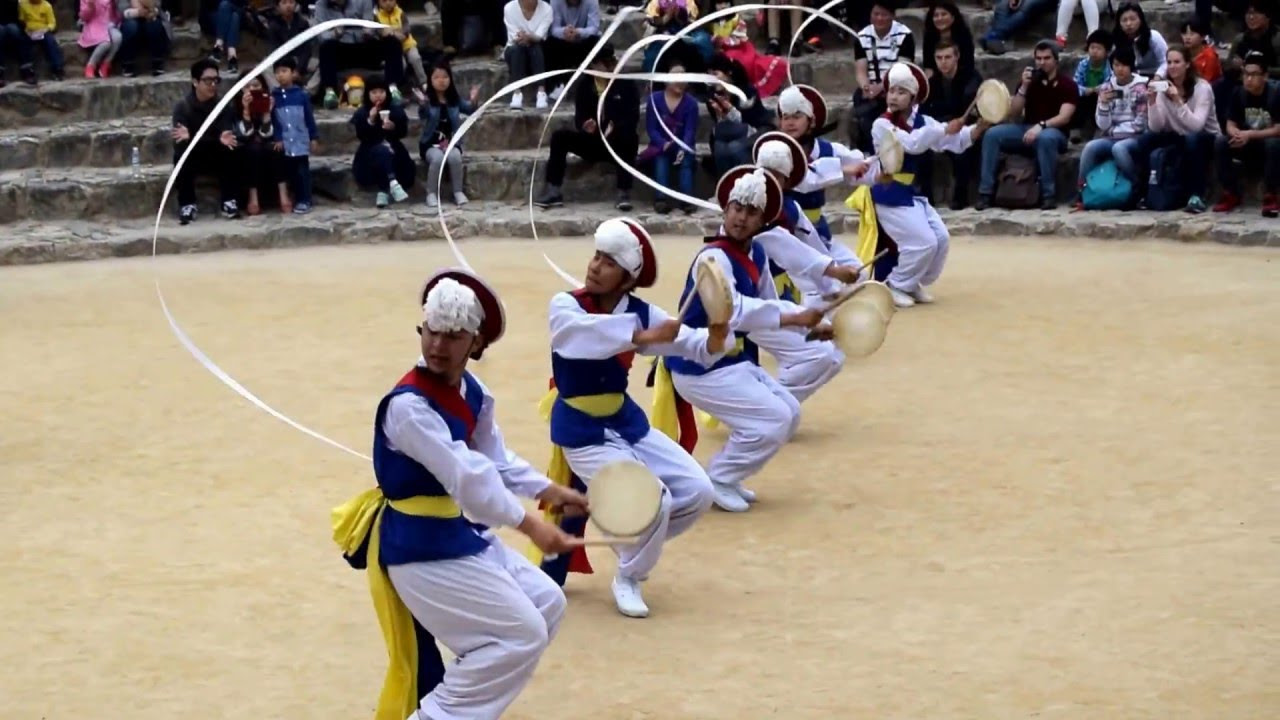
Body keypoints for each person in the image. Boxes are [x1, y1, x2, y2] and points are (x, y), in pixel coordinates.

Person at [332, 268, 587, 720]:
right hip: (417, 548)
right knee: (520, 635)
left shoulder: (473, 392)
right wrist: (531, 525)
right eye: (432, 331)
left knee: (547, 603)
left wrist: (549, 489)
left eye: (452, 336)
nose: (437, 345)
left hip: (456, 533)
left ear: (475, 344)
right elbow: (468, 475)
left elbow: (496, 458)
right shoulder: (409, 408)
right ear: (420, 329)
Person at [533, 218, 722, 618]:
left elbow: (688, 342)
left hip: (624, 421)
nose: (596, 265)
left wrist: (713, 339)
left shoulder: (641, 312)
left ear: (627, 277)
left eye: (608, 261)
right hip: (580, 430)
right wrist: (641, 337)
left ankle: (631, 542)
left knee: (698, 491)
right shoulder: (566, 305)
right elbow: (574, 336)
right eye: (596, 256)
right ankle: (630, 574)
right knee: (658, 500)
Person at [650, 166, 826, 513]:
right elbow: (735, 309)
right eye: (736, 209)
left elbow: (769, 302)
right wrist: (795, 316)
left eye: (751, 212)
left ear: (763, 219)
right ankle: (718, 477)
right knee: (773, 420)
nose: (741, 218)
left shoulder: (756, 253)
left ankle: (728, 475)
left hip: (729, 361)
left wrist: (808, 327)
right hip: (699, 366)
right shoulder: (712, 257)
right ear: (726, 210)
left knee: (789, 412)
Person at [848, 61, 991, 308]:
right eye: (891, 90)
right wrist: (945, 129)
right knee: (923, 242)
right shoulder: (881, 125)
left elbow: (955, 143)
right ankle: (896, 284)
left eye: (901, 92)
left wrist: (979, 127)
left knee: (941, 238)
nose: (893, 96)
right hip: (888, 193)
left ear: (913, 97)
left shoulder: (924, 121)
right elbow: (911, 143)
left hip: (910, 193)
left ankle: (912, 282)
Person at [534, 43, 640, 211]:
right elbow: (580, 117)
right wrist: (585, 125)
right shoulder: (584, 85)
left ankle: (623, 192)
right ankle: (553, 189)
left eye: (611, 62)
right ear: (593, 65)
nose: (610, 67)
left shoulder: (625, 84)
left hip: (617, 143)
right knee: (560, 137)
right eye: (605, 63)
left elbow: (633, 116)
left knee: (631, 138)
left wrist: (616, 126)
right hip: (593, 142)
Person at [776, 84, 869, 272]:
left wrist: (879, 165)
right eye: (786, 117)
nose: (790, 122)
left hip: (818, 230)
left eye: (797, 116)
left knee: (858, 272)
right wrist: (843, 170)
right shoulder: (776, 151)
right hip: (789, 233)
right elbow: (803, 179)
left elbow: (860, 162)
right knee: (818, 284)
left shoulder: (827, 149)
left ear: (811, 121)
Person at [976, 40, 1077, 210]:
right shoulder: (1031, 82)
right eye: (1038, 58)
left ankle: (1048, 195)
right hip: (1026, 128)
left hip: (1055, 132)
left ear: (1056, 61)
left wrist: (1042, 126)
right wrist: (1023, 87)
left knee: (1046, 138)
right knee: (992, 135)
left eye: (1047, 58)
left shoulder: (1068, 85)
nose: (1042, 63)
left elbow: (1064, 117)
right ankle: (985, 193)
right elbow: (1014, 112)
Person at [1136, 44, 1221, 214]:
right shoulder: (1163, 87)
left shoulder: (1202, 88)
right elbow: (1156, 127)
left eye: (1177, 62)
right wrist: (1152, 102)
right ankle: (1145, 193)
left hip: (1206, 136)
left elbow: (1197, 126)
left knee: (1192, 140)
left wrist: (1177, 100)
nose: (1172, 66)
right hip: (1176, 134)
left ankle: (1196, 195)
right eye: (1169, 62)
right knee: (1146, 139)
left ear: (1187, 64)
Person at [1074, 44, 1148, 206]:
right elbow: (1102, 124)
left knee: (1119, 149)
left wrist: (1114, 129)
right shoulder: (1107, 87)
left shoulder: (1141, 88)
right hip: (1111, 136)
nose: (1120, 69)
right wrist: (1104, 105)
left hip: (1134, 138)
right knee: (1090, 147)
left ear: (1131, 66)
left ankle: (1138, 187)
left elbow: (1140, 124)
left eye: (1124, 65)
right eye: (1116, 65)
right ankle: (1081, 191)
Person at [171, 58, 242, 225]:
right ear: (195, 82)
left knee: (231, 149)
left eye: (215, 80)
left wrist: (220, 137)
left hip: (215, 152)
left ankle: (229, 200)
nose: (212, 85)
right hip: (194, 153)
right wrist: (189, 139)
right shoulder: (183, 107)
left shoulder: (223, 105)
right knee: (180, 155)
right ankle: (187, 204)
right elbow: (179, 139)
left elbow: (225, 134)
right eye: (207, 80)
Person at [1213, 51, 1280, 216]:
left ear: (1265, 76)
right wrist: (1235, 133)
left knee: (1274, 144)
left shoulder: (1276, 93)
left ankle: (1271, 195)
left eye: (1254, 75)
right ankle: (1231, 193)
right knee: (1221, 142)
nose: (1248, 79)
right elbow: (1230, 123)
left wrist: (1249, 134)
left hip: (1269, 143)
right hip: (1247, 142)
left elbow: (1278, 129)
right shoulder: (1239, 93)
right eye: (1246, 74)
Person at [414, 61, 480, 209]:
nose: (441, 80)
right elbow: (423, 114)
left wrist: (474, 99)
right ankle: (431, 193)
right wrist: (423, 104)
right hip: (430, 144)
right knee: (437, 159)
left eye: (445, 77)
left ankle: (458, 192)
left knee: (455, 157)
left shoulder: (454, 100)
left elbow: (470, 110)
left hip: (452, 143)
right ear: (430, 80)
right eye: (437, 77)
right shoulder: (428, 101)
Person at [271, 56, 319, 215]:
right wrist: (277, 137)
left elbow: (309, 118)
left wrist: (313, 137)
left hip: (300, 139)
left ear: (294, 73)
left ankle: (305, 199)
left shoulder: (302, 95)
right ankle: (294, 197)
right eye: (277, 72)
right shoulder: (274, 97)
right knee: (289, 171)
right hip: (285, 141)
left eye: (284, 71)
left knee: (302, 171)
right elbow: (274, 120)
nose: (280, 75)